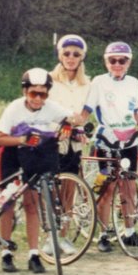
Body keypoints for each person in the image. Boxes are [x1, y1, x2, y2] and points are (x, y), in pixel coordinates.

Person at [0, 68, 73, 273]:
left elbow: (73, 118)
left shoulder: (51, 107)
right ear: (25, 92)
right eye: (33, 93)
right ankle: (6, 252)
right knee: (8, 205)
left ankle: (33, 254)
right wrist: (22, 139)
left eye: (43, 94)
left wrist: (68, 126)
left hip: (33, 157)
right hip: (11, 155)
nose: (38, 98)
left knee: (32, 204)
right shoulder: (14, 109)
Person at [78, 41, 138, 252]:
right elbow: (86, 111)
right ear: (106, 62)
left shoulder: (134, 82)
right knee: (107, 189)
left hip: (129, 142)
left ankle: (129, 233)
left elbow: (135, 112)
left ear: (129, 62)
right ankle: (103, 234)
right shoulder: (98, 83)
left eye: (122, 60)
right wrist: (78, 127)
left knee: (128, 188)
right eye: (112, 60)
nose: (117, 64)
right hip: (107, 140)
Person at [47, 34, 91, 256]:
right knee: (53, 188)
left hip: (74, 140)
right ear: (59, 55)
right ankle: (50, 236)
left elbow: (85, 113)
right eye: (66, 54)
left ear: (82, 57)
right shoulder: (49, 80)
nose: (71, 58)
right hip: (53, 139)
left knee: (69, 189)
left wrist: (80, 126)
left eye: (76, 54)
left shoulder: (86, 84)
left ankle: (63, 235)